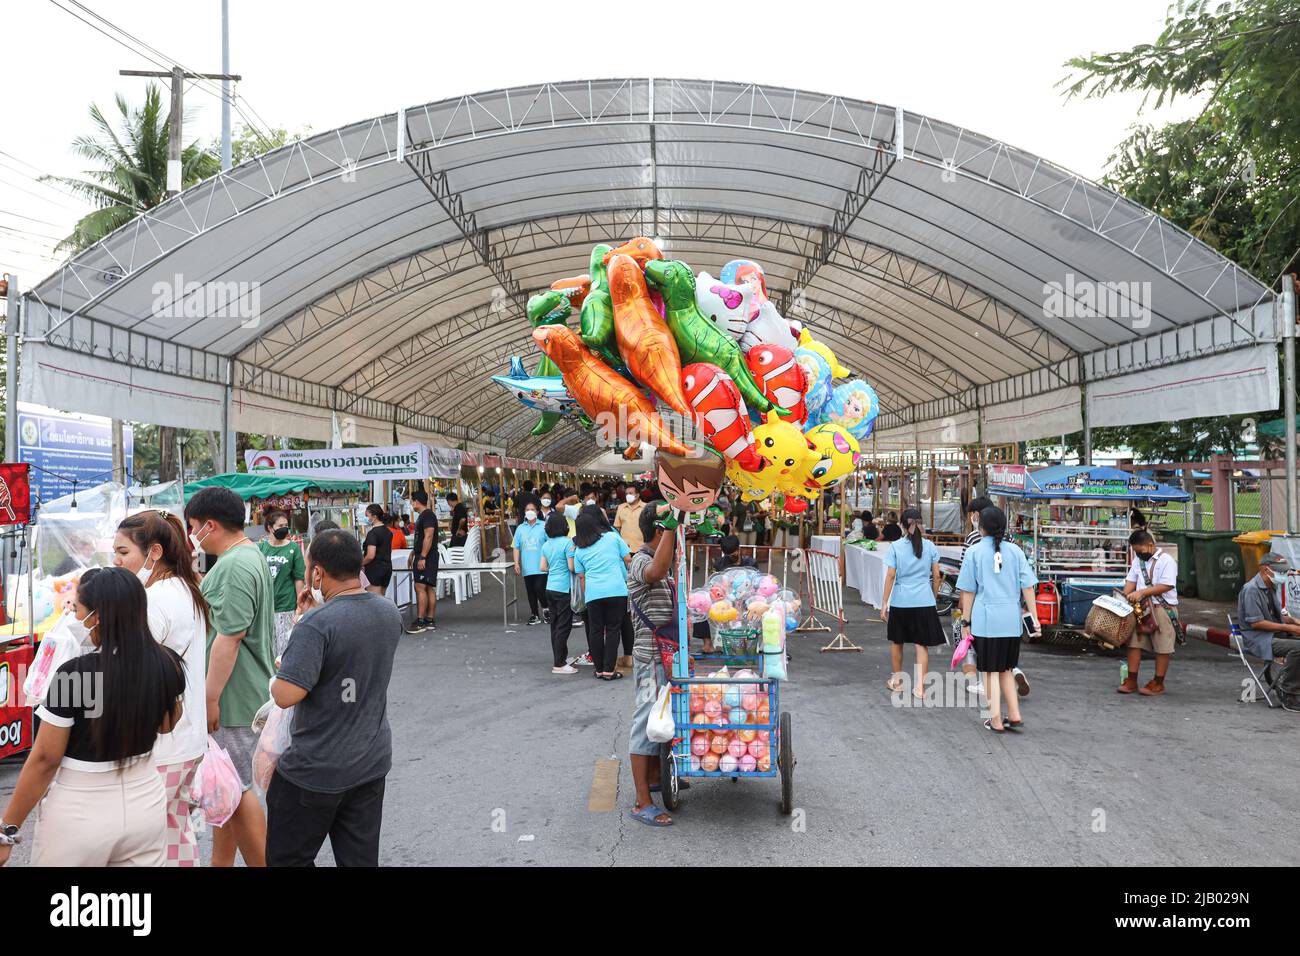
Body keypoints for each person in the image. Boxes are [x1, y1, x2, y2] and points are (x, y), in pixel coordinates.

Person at [0, 567, 185, 867]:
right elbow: (166, 725)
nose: (73, 617)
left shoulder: (77, 674)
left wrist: (7, 829)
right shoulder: (167, 662)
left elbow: (46, 759)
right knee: (131, 911)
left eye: (78, 610)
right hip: (147, 802)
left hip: (81, 807)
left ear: (97, 616)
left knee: (69, 910)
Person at [266, 530, 403, 866]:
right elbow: (349, 652)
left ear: (317, 572)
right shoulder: (388, 612)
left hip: (316, 767)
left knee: (288, 859)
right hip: (370, 761)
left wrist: (296, 638)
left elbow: (286, 695)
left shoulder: (317, 624)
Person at [112, 510, 210, 866]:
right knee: (175, 834)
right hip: (187, 742)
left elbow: (134, 673)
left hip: (162, 746)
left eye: (123, 552)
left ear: (154, 553)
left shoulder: (154, 600)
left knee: (142, 847)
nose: (116, 560)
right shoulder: (185, 588)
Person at [185, 486, 275, 867]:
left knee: (236, 791)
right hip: (242, 694)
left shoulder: (235, 565)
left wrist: (209, 698)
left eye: (193, 527)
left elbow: (229, 637)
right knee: (225, 789)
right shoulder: (246, 555)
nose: (192, 536)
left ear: (210, 525)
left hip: (233, 699)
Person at [957, 506, 1039, 733]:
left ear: (981, 527)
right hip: (1011, 620)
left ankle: (995, 720)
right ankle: (1014, 715)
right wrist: (1034, 617)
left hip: (986, 620)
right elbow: (1028, 587)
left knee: (990, 671)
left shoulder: (974, 552)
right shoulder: (1015, 551)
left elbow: (968, 591)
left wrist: (965, 622)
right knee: (1006, 668)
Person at [627, 502, 678, 827]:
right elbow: (656, 573)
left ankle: (657, 779)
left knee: (663, 716)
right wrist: (674, 525)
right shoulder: (640, 562)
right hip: (649, 657)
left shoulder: (659, 561)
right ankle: (642, 801)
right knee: (645, 722)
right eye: (669, 533)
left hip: (664, 655)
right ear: (659, 532)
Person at [880, 508, 946, 699]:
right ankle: (920, 688)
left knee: (897, 641)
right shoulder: (930, 546)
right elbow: (936, 576)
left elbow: (891, 575)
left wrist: (884, 603)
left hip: (901, 601)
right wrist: (933, 597)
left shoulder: (895, 547)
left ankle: (898, 682)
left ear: (902, 524)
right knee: (921, 644)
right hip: (924, 600)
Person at [573, 506, 632, 680]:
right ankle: (609, 670)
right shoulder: (612, 537)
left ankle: (599, 669)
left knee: (596, 631)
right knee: (613, 630)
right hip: (617, 591)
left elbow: (581, 577)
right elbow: (628, 558)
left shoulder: (579, 551)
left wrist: (587, 595)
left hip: (593, 594)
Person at [1119, 529, 1179, 696]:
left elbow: (1167, 585)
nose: (1139, 554)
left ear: (1151, 545)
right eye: (1136, 552)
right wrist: (1124, 596)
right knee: (1134, 643)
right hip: (1141, 609)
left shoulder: (1167, 561)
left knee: (1162, 646)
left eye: (1141, 551)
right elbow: (1131, 581)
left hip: (1162, 608)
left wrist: (1142, 592)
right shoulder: (1138, 561)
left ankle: (1158, 683)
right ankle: (1131, 680)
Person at [1237, 552, 1300, 709]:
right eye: (1281, 572)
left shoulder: (1271, 586)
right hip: (1259, 639)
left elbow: (1277, 616)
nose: (1284, 575)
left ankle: (1293, 685)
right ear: (1266, 569)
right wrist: (1288, 627)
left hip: (1273, 634)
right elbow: (1256, 623)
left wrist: (1294, 621)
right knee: (1298, 648)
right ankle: (1288, 692)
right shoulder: (1251, 590)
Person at [259, 508, 306, 660]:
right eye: (280, 526)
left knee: (285, 648)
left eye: (286, 525)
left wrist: (299, 605)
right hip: (266, 608)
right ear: (269, 528)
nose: (284, 529)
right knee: (268, 649)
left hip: (286, 606)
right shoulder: (261, 548)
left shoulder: (293, 548)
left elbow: (299, 578)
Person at [539, 512, 578, 674]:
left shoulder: (546, 545)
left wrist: (554, 569)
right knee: (564, 625)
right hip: (563, 588)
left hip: (550, 588)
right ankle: (559, 664)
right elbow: (571, 567)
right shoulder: (568, 543)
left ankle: (560, 657)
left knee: (555, 625)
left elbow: (542, 567)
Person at [407, 490, 439, 633]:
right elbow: (422, 538)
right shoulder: (424, 516)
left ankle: (421, 620)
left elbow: (429, 536)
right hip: (423, 554)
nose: (411, 504)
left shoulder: (427, 515)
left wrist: (423, 557)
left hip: (427, 556)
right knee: (427, 587)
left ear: (416, 501)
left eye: (412, 501)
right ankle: (429, 619)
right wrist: (414, 552)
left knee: (420, 587)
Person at [513, 503, 549, 626]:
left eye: (532, 509)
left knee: (540, 588)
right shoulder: (520, 528)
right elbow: (516, 547)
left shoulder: (544, 526)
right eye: (527, 509)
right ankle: (535, 614)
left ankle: (546, 609)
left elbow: (550, 544)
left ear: (537, 512)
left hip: (541, 565)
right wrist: (516, 563)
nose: (530, 511)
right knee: (530, 591)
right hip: (527, 566)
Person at [361, 504, 393, 596]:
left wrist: (361, 563)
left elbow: (371, 555)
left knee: (375, 600)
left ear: (374, 516)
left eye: (367, 515)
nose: (366, 518)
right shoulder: (388, 531)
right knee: (382, 598)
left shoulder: (373, 533)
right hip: (387, 567)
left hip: (375, 569)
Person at [615, 485, 648, 552]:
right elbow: (617, 527)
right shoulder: (621, 507)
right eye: (626, 494)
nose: (628, 495)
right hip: (625, 548)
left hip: (642, 547)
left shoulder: (646, 507)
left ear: (637, 495)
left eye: (630, 493)